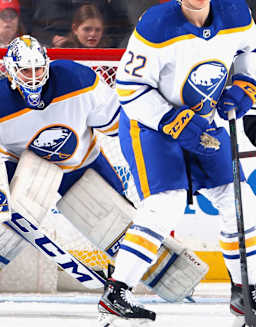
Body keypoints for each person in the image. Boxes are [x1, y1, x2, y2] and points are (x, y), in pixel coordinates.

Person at [99, 0, 256, 324]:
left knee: (240, 202)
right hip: (149, 124)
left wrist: (245, 84)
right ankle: (117, 294)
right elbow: (129, 89)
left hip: (203, 117)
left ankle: (246, 293)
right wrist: (172, 120)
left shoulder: (237, 14)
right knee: (165, 205)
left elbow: (249, 51)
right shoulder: (156, 25)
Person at [0, 35, 124, 302]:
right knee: (1, 222)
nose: (34, 77)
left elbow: (118, 123)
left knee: (117, 220)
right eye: (26, 71)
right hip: (21, 167)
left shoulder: (79, 81)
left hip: (82, 162)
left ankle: (122, 280)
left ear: (47, 65)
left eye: (38, 69)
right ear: (10, 71)